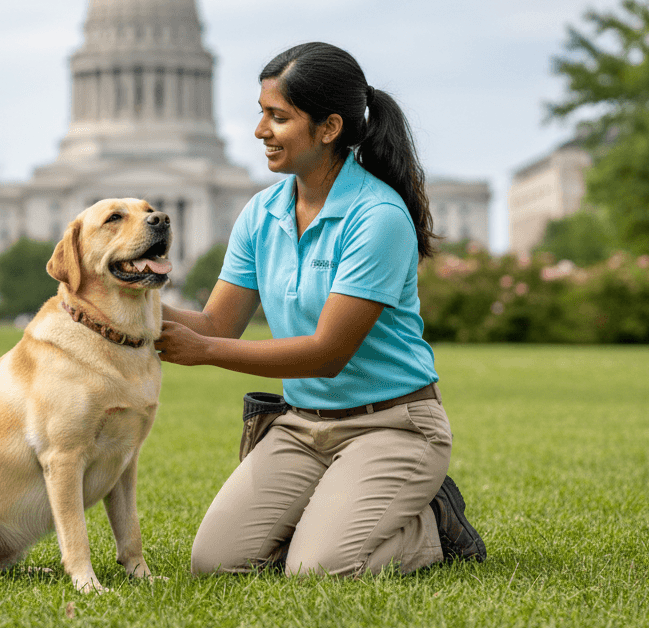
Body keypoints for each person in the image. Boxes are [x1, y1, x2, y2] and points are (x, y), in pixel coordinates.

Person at [155, 41, 485, 577]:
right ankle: (332, 513)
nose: (260, 131)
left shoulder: (377, 215)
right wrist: (119, 300)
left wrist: (206, 352)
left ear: (329, 128)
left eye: (278, 117)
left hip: (392, 426)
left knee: (317, 570)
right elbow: (216, 322)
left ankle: (433, 528)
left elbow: (328, 353)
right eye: (261, 113)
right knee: (215, 563)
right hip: (301, 426)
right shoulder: (261, 212)